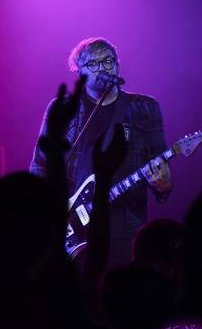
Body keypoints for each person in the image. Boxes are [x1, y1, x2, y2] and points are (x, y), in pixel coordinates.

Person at [30, 38, 171, 267]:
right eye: (93, 64)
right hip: (72, 225)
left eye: (107, 61)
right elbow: (40, 164)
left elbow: (159, 163)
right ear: (79, 72)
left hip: (125, 226)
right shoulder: (62, 108)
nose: (102, 68)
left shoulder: (144, 107)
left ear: (117, 65)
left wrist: (164, 187)